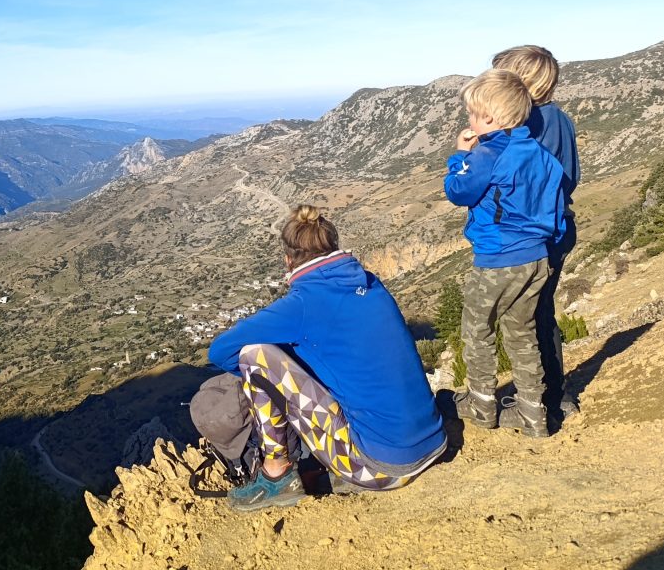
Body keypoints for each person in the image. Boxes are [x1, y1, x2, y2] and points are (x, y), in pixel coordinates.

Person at [200, 205, 447, 512]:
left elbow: (221, 351)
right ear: (333, 246)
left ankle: (276, 475)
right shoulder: (370, 283)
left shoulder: (302, 304)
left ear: (288, 260)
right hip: (435, 442)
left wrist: (280, 373)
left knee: (254, 357)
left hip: (382, 470)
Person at [444, 69, 566, 438]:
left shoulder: (486, 154)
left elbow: (459, 191)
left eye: (472, 114)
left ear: (490, 118)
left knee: (477, 329)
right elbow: (555, 204)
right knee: (521, 331)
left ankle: (481, 404)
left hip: (498, 258)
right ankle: (533, 413)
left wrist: (459, 156)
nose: (468, 120)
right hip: (537, 257)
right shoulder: (539, 153)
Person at [492, 45, 581, 421]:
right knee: (540, 313)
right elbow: (570, 177)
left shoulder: (530, 126)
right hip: (557, 231)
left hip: (532, 240)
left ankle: (546, 400)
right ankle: (550, 393)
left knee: (528, 318)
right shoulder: (559, 118)